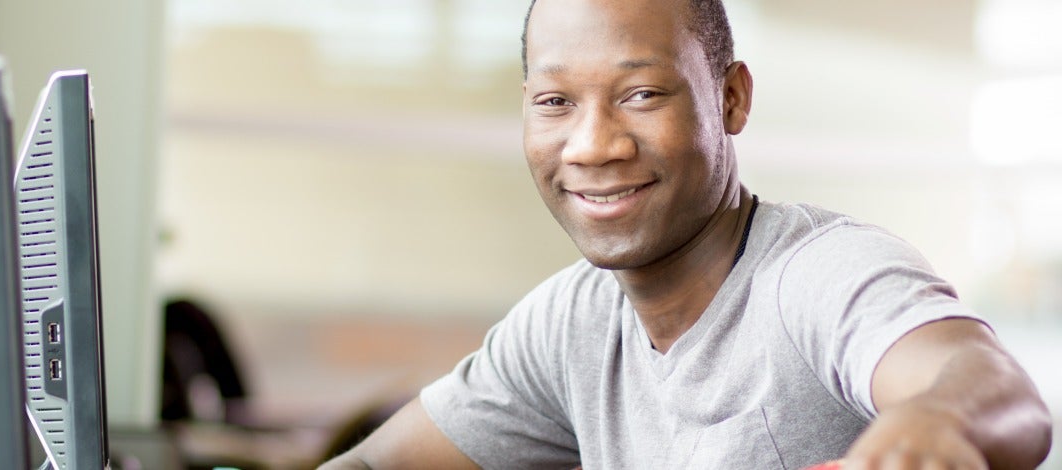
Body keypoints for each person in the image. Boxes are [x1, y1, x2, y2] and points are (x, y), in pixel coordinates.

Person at [321, 0, 1054, 468]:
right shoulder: (569, 322)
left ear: (730, 98)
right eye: (555, 102)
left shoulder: (820, 274)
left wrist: (934, 422)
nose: (592, 145)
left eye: (641, 95)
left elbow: (998, 391)